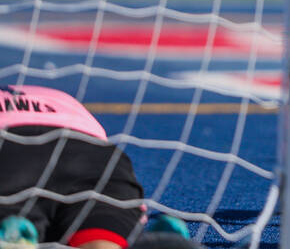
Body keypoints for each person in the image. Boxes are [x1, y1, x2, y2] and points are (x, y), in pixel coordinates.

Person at [0, 84, 196, 249]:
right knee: (101, 228)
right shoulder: (57, 96)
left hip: (9, 152)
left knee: (10, 218)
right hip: (90, 153)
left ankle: (14, 237)